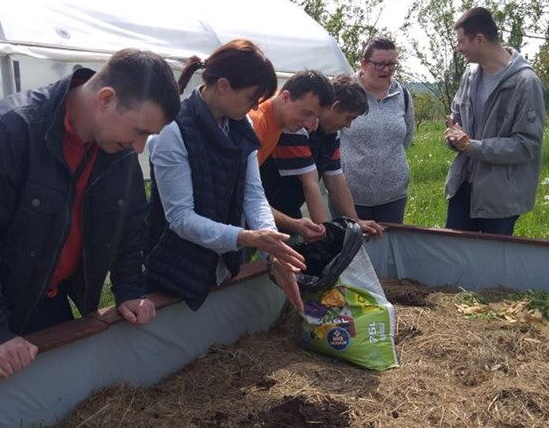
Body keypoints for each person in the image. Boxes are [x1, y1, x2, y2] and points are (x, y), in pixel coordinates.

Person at [0, 48, 181, 379]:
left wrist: (129, 290)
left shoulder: (116, 149)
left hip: (48, 297)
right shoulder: (9, 129)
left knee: (54, 397)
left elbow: (129, 222)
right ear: (106, 99)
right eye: (140, 132)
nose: (139, 147)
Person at [143, 39, 307, 314]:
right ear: (223, 86)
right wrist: (245, 238)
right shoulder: (173, 131)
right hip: (172, 268)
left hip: (218, 267)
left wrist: (273, 248)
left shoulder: (242, 127)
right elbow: (181, 218)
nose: (254, 106)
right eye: (251, 98)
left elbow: (253, 194)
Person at [444, 7, 545, 235]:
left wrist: (472, 146)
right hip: (462, 190)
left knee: (491, 267)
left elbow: (527, 145)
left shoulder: (526, 83)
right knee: (453, 263)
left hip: (500, 199)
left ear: (479, 39)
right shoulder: (469, 77)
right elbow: (456, 121)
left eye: (461, 42)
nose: (458, 48)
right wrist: (453, 137)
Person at [260, 74, 385, 238]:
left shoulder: (332, 134)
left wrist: (355, 220)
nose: (348, 125)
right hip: (264, 207)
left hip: (289, 210)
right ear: (335, 106)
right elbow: (309, 182)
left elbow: (336, 180)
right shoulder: (297, 128)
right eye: (349, 117)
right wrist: (324, 233)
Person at [248, 70, 336, 242]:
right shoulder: (257, 123)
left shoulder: (281, 108)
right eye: (306, 113)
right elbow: (245, 194)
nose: (309, 124)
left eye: (316, 117)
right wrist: (294, 224)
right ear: (286, 97)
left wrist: (309, 115)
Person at [338, 36, 415, 225]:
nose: (386, 70)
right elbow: (333, 136)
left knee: (388, 250)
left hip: (393, 195)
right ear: (364, 64)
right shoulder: (345, 92)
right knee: (353, 249)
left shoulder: (402, 95)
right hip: (351, 194)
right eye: (380, 64)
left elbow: (406, 137)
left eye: (391, 64)